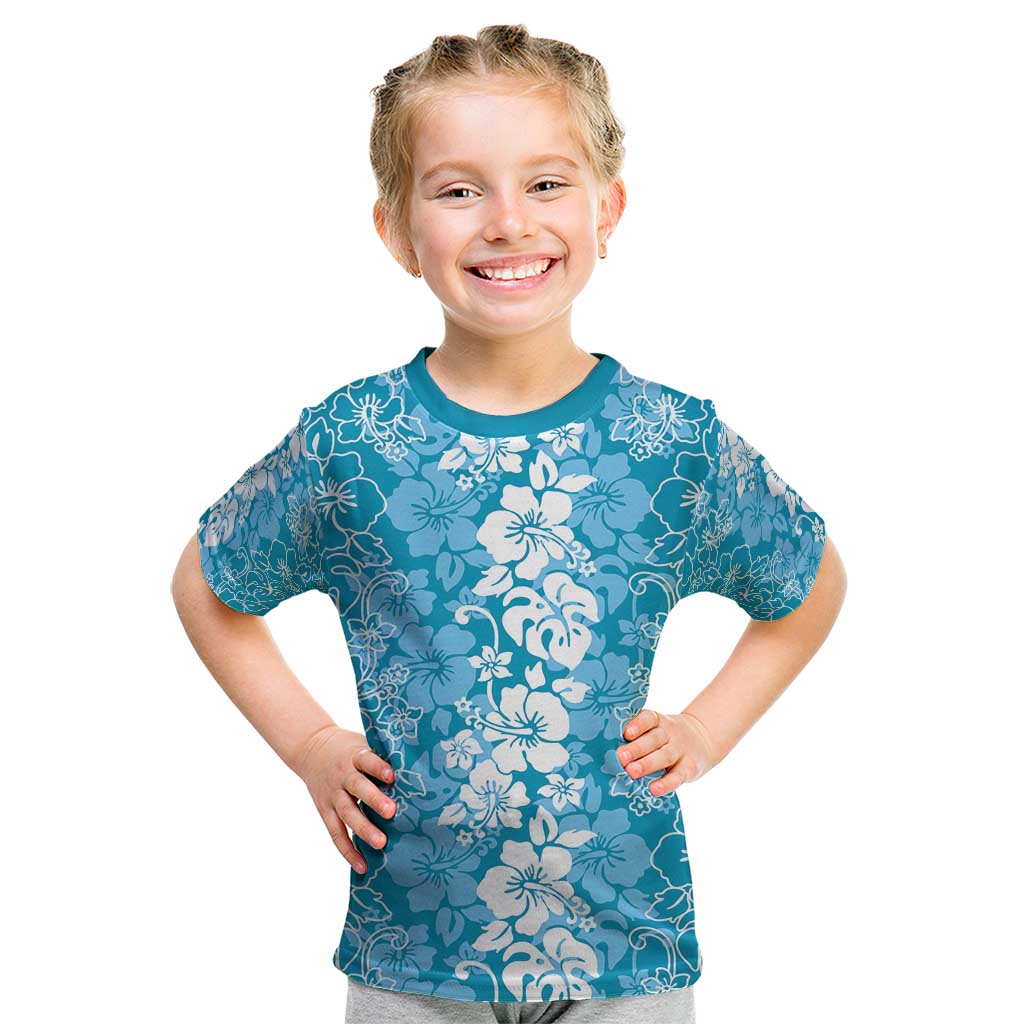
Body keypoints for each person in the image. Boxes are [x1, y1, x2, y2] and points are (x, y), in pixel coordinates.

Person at [172, 23, 846, 1024]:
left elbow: (809, 583)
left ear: (607, 209)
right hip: (413, 948)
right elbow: (208, 582)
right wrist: (309, 742)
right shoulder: (350, 440)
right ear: (396, 231)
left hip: (626, 948)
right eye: (458, 191)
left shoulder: (673, 441)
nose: (507, 221)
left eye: (546, 183)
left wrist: (707, 728)